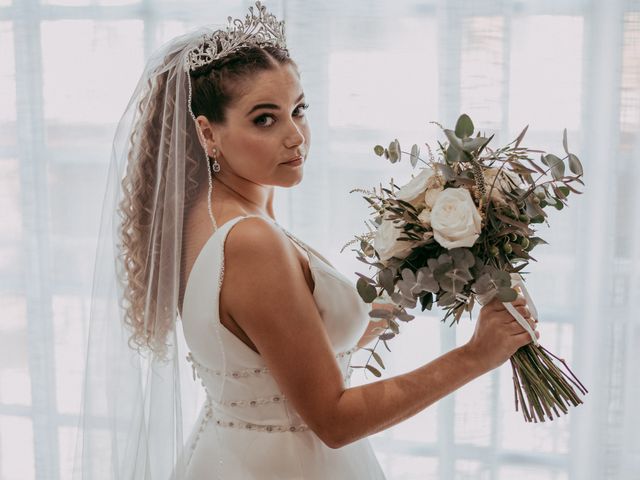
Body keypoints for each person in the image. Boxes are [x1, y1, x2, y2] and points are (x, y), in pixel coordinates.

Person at [74, 2, 539, 479]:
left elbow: (266, 359)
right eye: (264, 119)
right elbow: (334, 421)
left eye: (299, 110)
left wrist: (414, 276)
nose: (296, 136)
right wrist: (477, 355)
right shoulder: (250, 240)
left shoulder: (207, 216)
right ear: (208, 133)